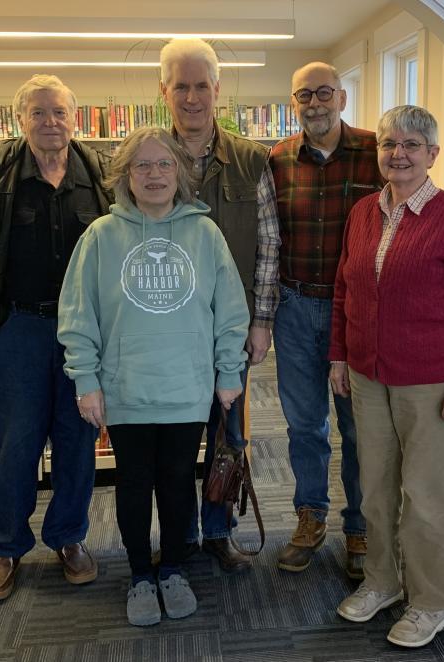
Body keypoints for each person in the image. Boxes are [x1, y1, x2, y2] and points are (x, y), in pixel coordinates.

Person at [57, 126, 249, 627]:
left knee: (178, 484)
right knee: (134, 484)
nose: (155, 174)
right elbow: (78, 316)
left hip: (187, 388)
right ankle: (142, 573)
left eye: (164, 164)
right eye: (142, 165)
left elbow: (230, 310)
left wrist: (230, 370)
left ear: (180, 172)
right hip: (127, 388)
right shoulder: (100, 236)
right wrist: (86, 381)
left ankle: (175, 570)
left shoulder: (205, 234)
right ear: (125, 175)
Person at [0, 74, 111, 602]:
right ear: (20, 120)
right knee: (13, 445)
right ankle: (5, 546)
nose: (50, 122)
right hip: (17, 330)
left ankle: (68, 538)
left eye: (59, 112)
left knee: (78, 441)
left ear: (75, 118)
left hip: (83, 334)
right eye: (38, 113)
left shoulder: (98, 174)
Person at [329, 105, 444, 648]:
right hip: (366, 375)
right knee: (373, 490)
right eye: (387, 144)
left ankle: (430, 602)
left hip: (431, 383)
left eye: (410, 145)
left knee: (424, 497)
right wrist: (339, 356)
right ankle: (381, 581)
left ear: (432, 154)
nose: (397, 154)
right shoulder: (362, 213)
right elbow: (343, 291)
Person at [159, 38, 280, 573]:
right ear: (164, 91)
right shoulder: (145, 158)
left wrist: (262, 320)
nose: (192, 97)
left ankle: (219, 532)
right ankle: (180, 536)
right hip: (164, 333)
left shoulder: (253, 160)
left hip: (230, 329)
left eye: (201, 85)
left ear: (218, 91)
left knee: (228, 436)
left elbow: (270, 246)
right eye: (181, 86)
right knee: (174, 438)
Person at [268, 62, 383, 577]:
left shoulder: (375, 151)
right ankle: (309, 516)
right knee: (304, 425)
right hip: (294, 307)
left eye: (323, 93)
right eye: (302, 95)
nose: (314, 103)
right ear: (294, 103)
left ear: (341, 96)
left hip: (354, 311)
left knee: (357, 427)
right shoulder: (277, 159)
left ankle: (359, 528)